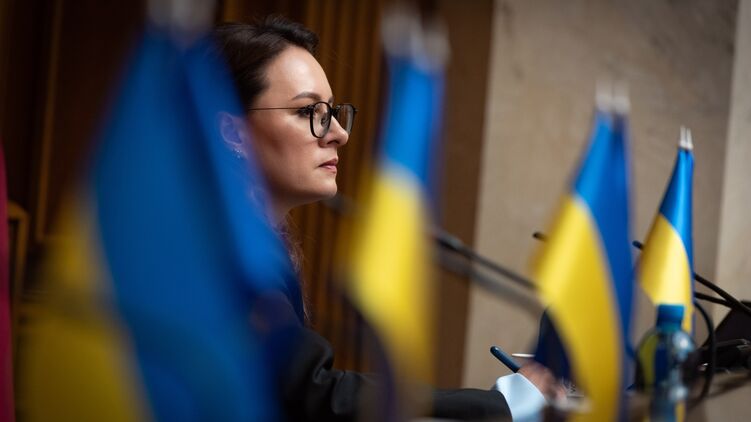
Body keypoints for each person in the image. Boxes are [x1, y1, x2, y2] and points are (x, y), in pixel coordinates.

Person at [212, 16, 561, 421]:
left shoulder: (246, 239)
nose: (339, 132)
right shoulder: (217, 248)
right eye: (309, 111)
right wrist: (508, 402)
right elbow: (313, 395)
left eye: (333, 112)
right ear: (232, 133)